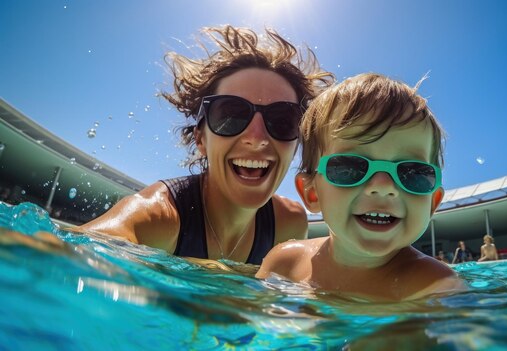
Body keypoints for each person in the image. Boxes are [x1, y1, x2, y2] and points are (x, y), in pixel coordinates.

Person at [74, 26, 334, 264]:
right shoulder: (161, 217)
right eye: (230, 115)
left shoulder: (289, 224)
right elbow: (80, 250)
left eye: (282, 119)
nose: (256, 137)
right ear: (201, 139)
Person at [256, 73, 464, 300]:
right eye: (350, 167)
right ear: (312, 193)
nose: (384, 186)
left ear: (432, 202)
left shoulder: (434, 286)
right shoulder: (284, 264)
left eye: (412, 173)